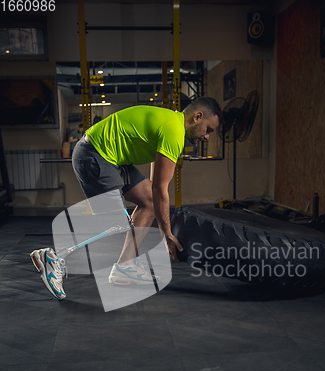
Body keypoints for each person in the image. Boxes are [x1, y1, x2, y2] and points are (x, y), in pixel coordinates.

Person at [30, 97, 223, 300]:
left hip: (109, 158)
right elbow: (161, 188)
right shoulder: (175, 131)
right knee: (116, 224)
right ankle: (53, 256)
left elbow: (155, 185)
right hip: (95, 154)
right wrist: (167, 234)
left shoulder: (171, 123)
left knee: (148, 202)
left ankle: (125, 267)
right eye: (209, 129)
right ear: (197, 117)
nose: (208, 137)